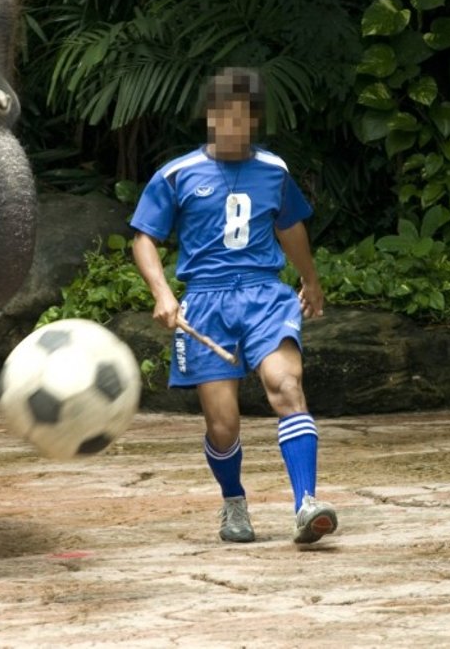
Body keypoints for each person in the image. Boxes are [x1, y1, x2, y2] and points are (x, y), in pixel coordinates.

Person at [129, 67, 337, 546]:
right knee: (223, 425)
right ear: (210, 117)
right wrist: (163, 292)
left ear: (254, 121)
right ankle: (233, 502)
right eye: (223, 118)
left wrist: (310, 279)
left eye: (242, 120)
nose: (232, 128)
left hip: (265, 294)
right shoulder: (176, 174)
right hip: (204, 303)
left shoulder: (274, 170)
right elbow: (144, 238)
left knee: (286, 386)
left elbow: (290, 228)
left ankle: (306, 505)